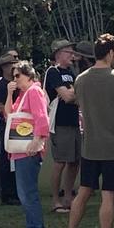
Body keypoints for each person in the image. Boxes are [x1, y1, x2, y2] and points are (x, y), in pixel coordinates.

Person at [61, 34, 114, 228]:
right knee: (108, 195)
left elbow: (79, 104)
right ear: (112, 53)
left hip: (90, 145)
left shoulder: (81, 79)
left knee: (83, 191)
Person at [6, 61, 50, 228]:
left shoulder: (33, 92)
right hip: (20, 150)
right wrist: (9, 93)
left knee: (27, 192)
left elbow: (42, 116)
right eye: (13, 76)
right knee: (24, 192)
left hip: (28, 150)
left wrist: (38, 139)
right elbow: (9, 115)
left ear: (28, 75)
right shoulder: (23, 94)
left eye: (18, 76)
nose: (15, 79)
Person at [44, 38, 81, 214]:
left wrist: (73, 93)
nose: (72, 55)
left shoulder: (72, 72)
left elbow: (77, 95)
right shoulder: (53, 72)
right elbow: (67, 96)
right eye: (68, 52)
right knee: (60, 162)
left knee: (74, 161)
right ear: (58, 54)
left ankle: (68, 196)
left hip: (75, 122)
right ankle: (55, 199)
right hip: (60, 122)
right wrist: (74, 93)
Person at [0, 53, 20, 206]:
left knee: (16, 159)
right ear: (4, 67)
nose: (14, 66)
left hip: (18, 125)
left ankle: (15, 192)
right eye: (11, 64)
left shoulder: (18, 84)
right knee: (6, 160)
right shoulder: (2, 85)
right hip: (6, 126)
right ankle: (7, 194)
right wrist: (14, 112)